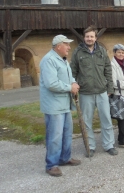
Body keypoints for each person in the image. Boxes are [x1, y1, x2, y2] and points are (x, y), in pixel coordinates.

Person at [70, 25, 118, 157]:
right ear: (84, 38)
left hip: (102, 91)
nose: (89, 39)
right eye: (87, 36)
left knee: (106, 120)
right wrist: (74, 84)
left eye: (91, 36)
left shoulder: (102, 51)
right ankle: (90, 146)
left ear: (96, 38)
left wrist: (110, 88)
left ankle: (109, 145)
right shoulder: (77, 52)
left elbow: (108, 70)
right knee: (86, 122)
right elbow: (72, 71)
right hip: (86, 93)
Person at [39, 34, 81, 177]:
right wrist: (70, 88)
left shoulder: (63, 60)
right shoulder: (49, 60)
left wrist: (74, 82)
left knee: (67, 133)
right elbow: (51, 84)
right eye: (66, 45)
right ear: (58, 46)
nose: (69, 47)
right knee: (55, 136)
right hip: (54, 105)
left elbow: (69, 77)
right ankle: (51, 164)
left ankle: (65, 158)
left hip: (64, 104)